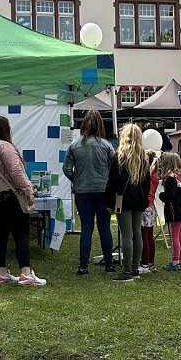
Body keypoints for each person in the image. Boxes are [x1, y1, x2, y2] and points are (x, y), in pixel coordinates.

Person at [0, 115, 46, 286]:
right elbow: (16, 171)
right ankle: (26, 273)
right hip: (8, 196)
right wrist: (28, 190)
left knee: (0, 235)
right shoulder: (5, 147)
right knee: (22, 234)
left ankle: (2, 273)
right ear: (5, 129)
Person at [62, 109, 115, 276]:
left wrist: (77, 180)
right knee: (104, 227)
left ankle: (83, 266)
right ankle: (109, 264)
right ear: (100, 125)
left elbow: (66, 168)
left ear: (83, 125)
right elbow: (114, 169)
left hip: (82, 191)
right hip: (103, 190)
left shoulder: (74, 145)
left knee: (86, 228)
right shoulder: (106, 145)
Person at [106, 124, 151, 282]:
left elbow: (113, 182)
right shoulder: (143, 157)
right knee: (137, 233)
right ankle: (134, 268)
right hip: (139, 199)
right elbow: (147, 183)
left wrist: (110, 202)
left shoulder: (120, 155)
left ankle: (126, 271)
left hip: (123, 199)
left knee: (127, 235)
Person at [157, 151, 181, 272]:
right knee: (180, 235)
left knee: (174, 236)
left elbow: (170, 195)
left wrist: (162, 195)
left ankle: (175, 261)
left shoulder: (171, 178)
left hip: (175, 210)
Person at [139, 151, 160, 274]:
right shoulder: (155, 177)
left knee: (144, 236)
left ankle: (144, 263)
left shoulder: (147, 177)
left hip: (145, 206)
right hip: (151, 207)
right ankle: (151, 262)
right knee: (150, 236)